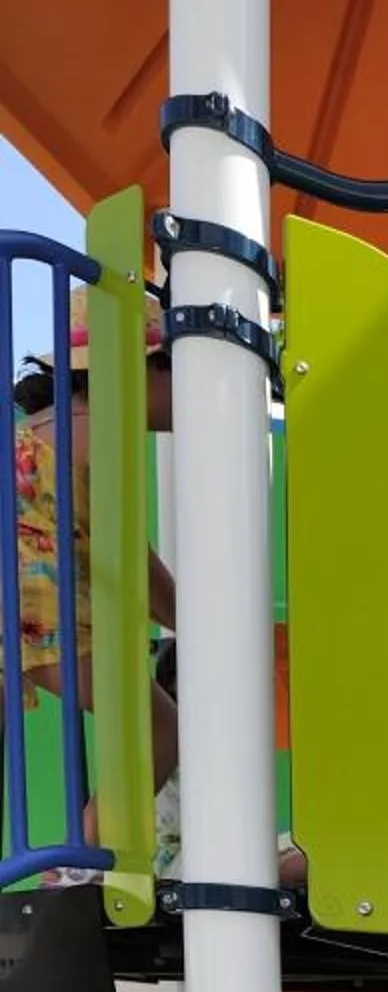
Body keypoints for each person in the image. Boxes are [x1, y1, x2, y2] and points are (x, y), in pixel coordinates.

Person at [12, 296, 180, 870]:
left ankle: (75, 864)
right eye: (178, 374)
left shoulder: (42, 426)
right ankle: (77, 870)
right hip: (39, 608)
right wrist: (194, 618)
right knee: (159, 729)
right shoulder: (101, 432)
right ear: (143, 371)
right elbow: (130, 556)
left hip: (20, 600)